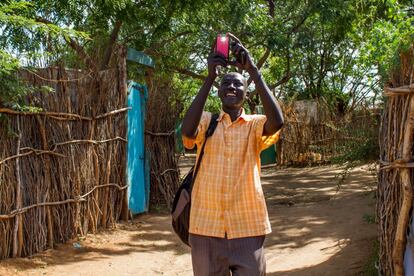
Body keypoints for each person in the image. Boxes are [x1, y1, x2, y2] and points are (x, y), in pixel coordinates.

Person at [181, 33, 284, 276]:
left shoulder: (255, 125)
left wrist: (254, 71)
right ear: (219, 92)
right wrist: (209, 78)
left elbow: (277, 122)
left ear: (246, 94)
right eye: (226, 83)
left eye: (238, 84)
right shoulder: (206, 121)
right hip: (206, 227)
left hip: (247, 226)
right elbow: (186, 132)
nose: (232, 87)